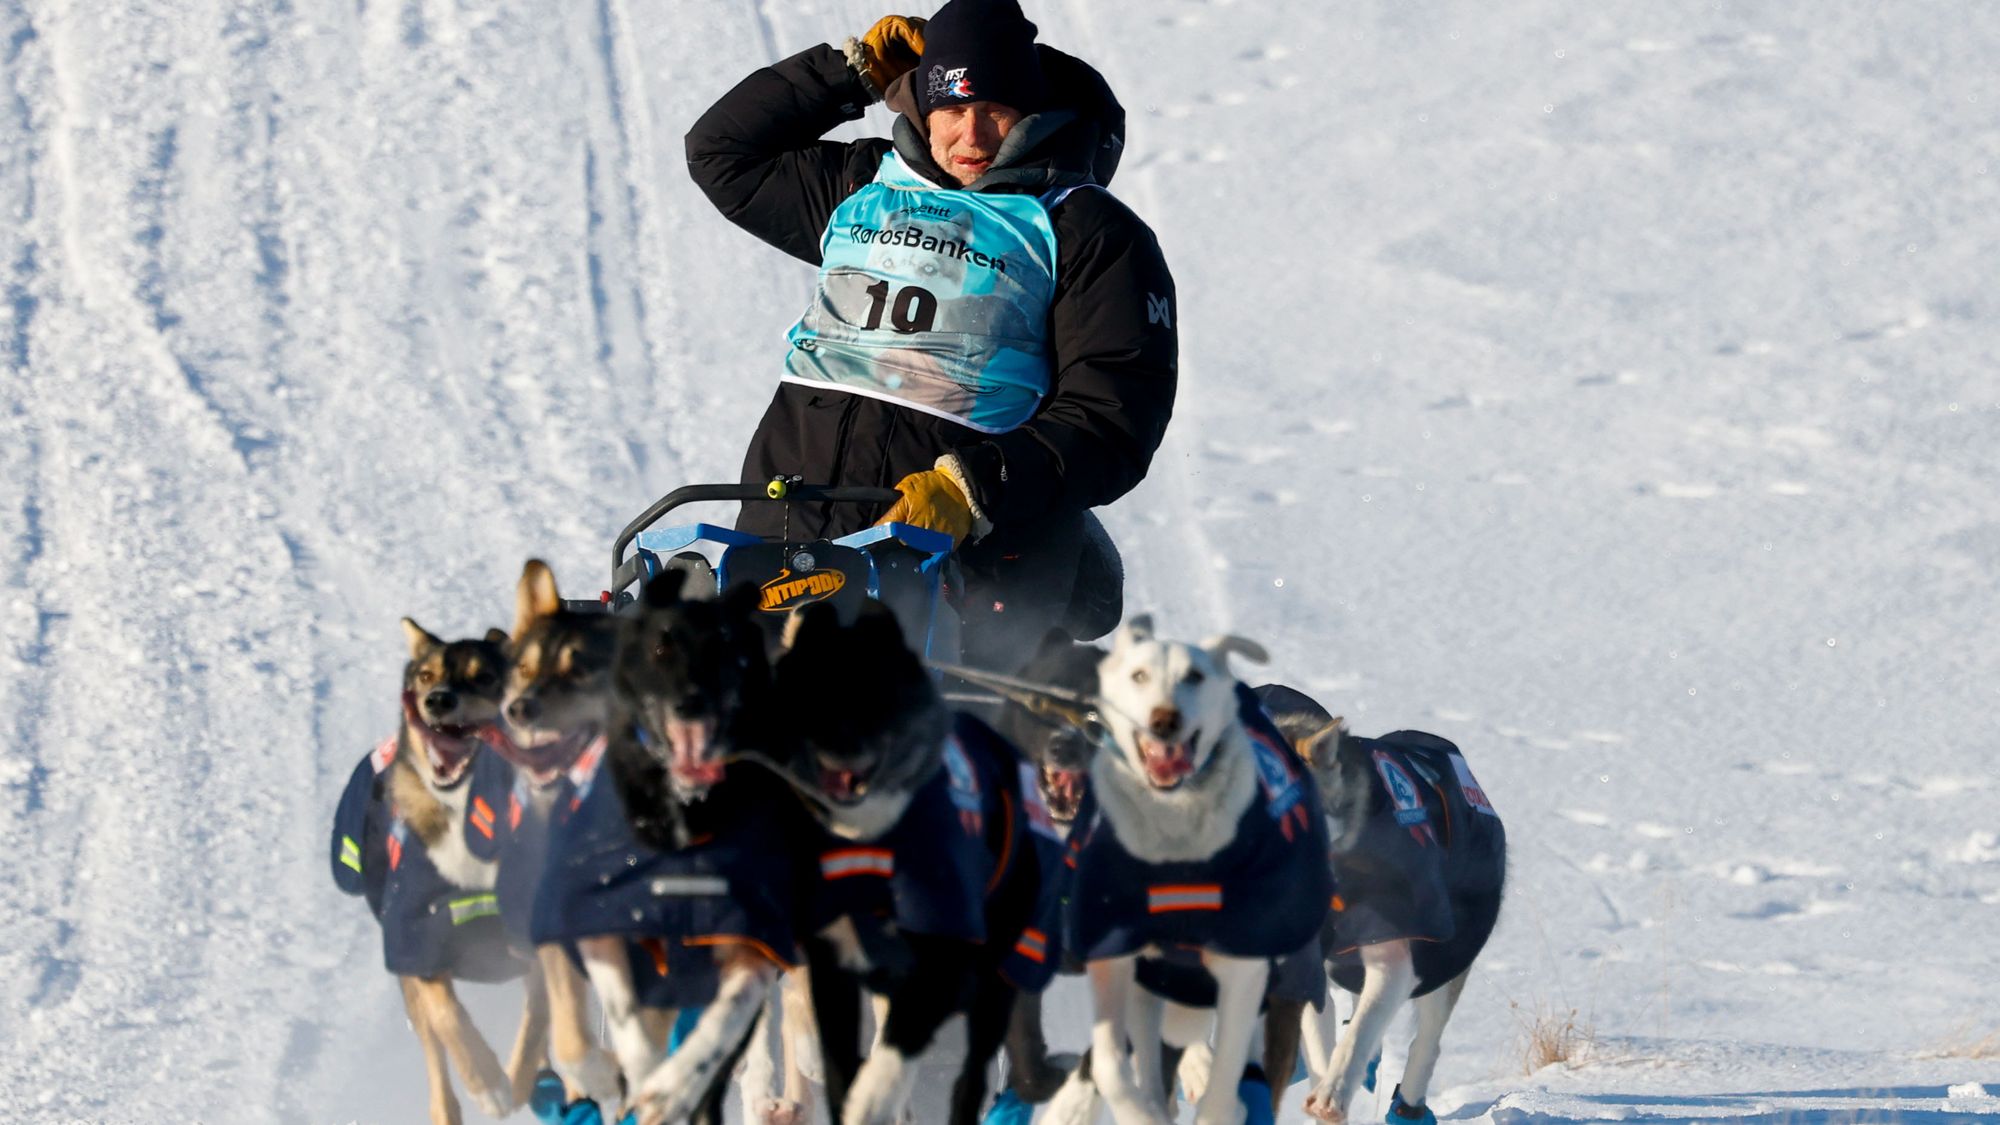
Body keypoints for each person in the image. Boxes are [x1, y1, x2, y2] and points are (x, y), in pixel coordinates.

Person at [685, 0, 1177, 668]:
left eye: (995, 110)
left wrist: (972, 487)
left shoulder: (1087, 231)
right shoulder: (862, 183)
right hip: (790, 535)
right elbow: (721, 153)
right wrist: (849, 74)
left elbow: (1113, 417)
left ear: (1033, 110)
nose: (970, 135)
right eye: (949, 108)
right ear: (919, 105)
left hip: (967, 564)